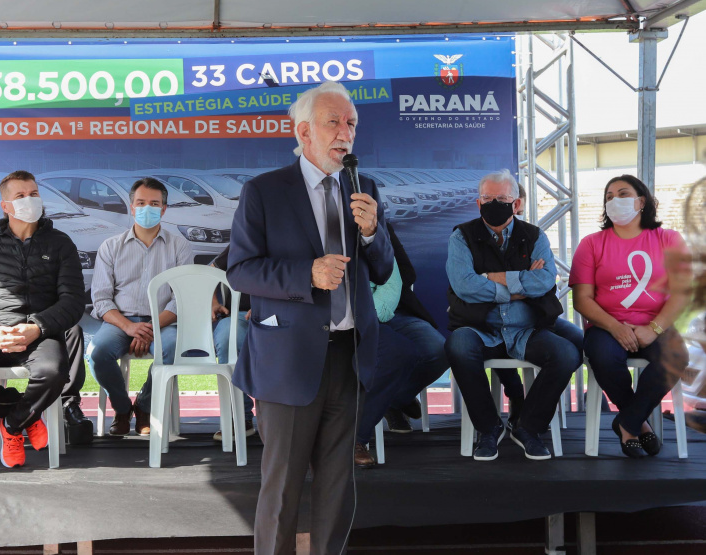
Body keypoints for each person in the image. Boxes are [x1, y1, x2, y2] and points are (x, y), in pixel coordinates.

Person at [227, 81, 394, 554]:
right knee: (282, 487)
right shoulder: (264, 191)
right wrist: (307, 274)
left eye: (352, 124)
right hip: (289, 357)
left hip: (349, 355)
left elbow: (383, 268)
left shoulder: (364, 188)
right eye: (334, 123)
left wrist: (372, 233)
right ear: (304, 132)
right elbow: (240, 270)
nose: (346, 133)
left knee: (338, 488)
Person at [0, 170, 86, 468]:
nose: (29, 200)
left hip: (40, 334)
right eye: (20, 196)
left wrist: (37, 327)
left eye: (33, 194)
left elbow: (73, 301)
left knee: (53, 372)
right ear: (5, 206)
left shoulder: (60, 244)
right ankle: (24, 415)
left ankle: (12, 424)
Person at [446, 169, 579, 461]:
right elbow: (464, 285)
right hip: (481, 326)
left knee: (567, 354)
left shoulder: (534, 235)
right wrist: (518, 286)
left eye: (502, 199)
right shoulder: (461, 236)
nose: (494, 204)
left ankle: (527, 427)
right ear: (478, 203)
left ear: (516, 203)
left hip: (525, 328)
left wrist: (490, 278)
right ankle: (488, 428)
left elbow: (545, 280)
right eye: (487, 199)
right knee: (458, 346)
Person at [570, 175, 690, 458]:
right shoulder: (591, 244)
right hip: (605, 326)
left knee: (676, 357)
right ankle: (637, 424)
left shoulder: (669, 239)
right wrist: (615, 327)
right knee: (603, 357)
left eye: (623, 194)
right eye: (609, 197)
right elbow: (582, 299)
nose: (615, 200)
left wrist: (654, 328)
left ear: (641, 201)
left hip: (657, 324)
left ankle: (627, 423)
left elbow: (682, 293)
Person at [85, 177, 192, 437]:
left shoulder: (180, 246)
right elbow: (101, 299)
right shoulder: (110, 247)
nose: (147, 208)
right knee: (97, 353)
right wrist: (130, 328)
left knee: (170, 350)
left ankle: (144, 406)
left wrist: (151, 327)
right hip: (120, 322)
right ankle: (123, 409)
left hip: (164, 321)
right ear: (132, 207)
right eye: (141, 203)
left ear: (164, 209)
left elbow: (182, 297)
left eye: (154, 204)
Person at [354, 223, 449, 467]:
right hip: (345, 317)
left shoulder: (378, 226)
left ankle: (394, 400)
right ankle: (357, 436)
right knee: (391, 354)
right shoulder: (314, 228)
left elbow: (405, 273)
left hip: (393, 310)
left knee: (437, 349)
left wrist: (380, 293)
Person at [491, 184, 585, 429]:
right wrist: (524, 280)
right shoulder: (483, 237)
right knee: (504, 338)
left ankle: (534, 404)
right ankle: (517, 395)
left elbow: (544, 282)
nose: (512, 208)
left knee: (581, 344)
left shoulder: (533, 236)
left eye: (512, 201)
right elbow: (482, 286)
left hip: (540, 314)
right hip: (501, 319)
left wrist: (518, 283)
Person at [209, 245, 255, 440]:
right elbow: (211, 271)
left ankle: (285, 418)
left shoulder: (289, 240)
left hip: (280, 311)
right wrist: (214, 302)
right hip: (238, 315)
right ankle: (238, 416)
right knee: (227, 336)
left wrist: (267, 305)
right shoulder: (243, 242)